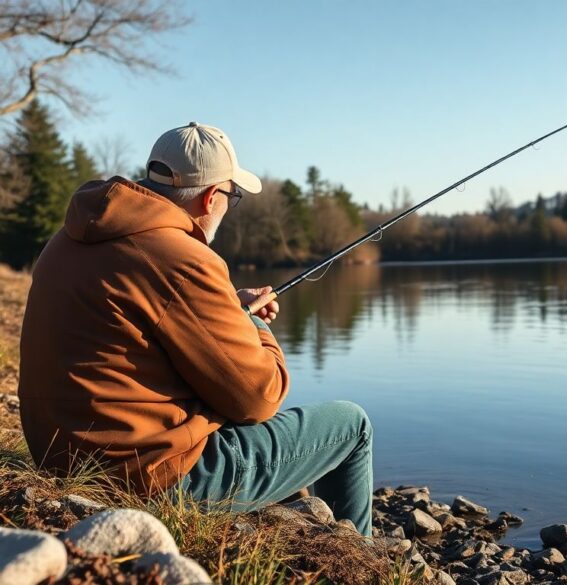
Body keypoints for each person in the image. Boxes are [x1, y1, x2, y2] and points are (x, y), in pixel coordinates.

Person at [17, 122, 373, 536]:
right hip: (147, 480)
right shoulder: (184, 260)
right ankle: (358, 558)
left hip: (62, 459)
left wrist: (227, 311)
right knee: (352, 425)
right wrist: (253, 322)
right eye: (232, 196)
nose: (229, 204)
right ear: (210, 197)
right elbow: (260, 397)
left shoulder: (69, 238)